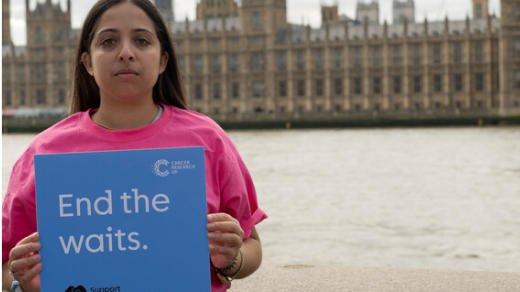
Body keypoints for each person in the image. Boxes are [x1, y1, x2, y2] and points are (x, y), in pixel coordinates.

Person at [2, 1, 267, 291]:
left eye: (141, 41)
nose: (126, 53)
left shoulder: (209, 140)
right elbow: (6, 264)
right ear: (87, 62)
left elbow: (251, 245)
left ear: (163, 60)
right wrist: (24, 284)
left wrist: (229, 259)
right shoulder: (43, 153)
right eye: (108, 41)